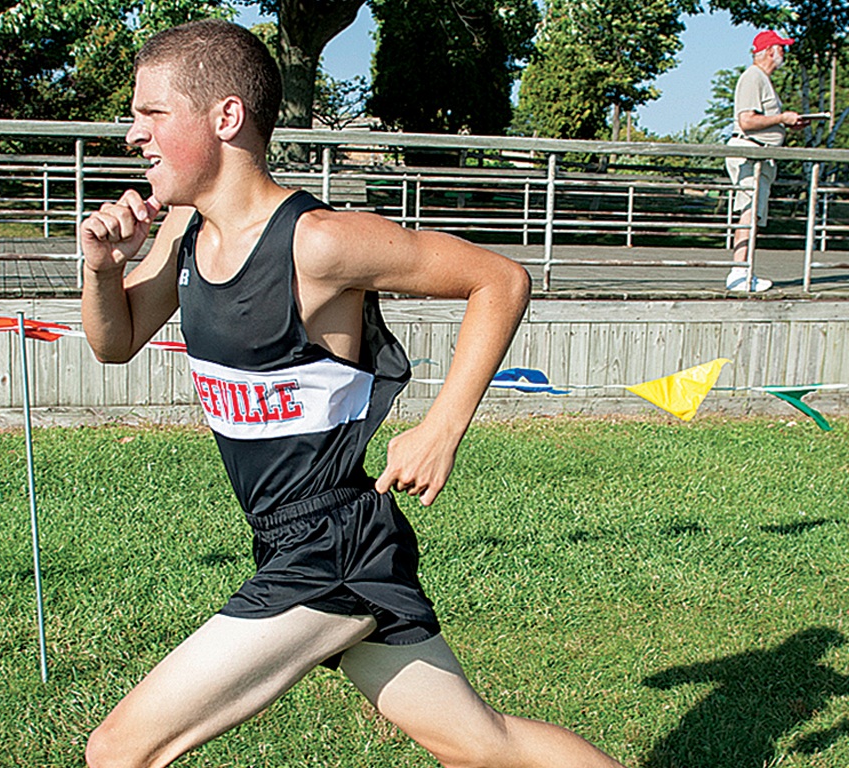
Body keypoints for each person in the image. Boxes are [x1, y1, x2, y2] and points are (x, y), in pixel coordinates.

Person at [80, 19, 625, 768]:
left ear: (226, 117)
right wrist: (105, 270)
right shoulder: (182, 231)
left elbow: (499, 280)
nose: (134, 136)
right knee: (481, 746)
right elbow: (115, 342)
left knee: (118, 751)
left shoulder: (318, 243)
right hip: (303, 537)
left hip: (329, 545)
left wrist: (441, 428)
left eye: (151, 114)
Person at [724, 29, 806, 292]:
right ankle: (739, 274)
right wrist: (782, 119)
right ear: (771, 50)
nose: (784, 53)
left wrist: (785, 125)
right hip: (751, 153)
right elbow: (746, 120)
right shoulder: (753, 77)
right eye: (782, 48)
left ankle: (744, 271)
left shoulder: (762, 80)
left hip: (761, 155)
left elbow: (760, 121)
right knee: (748, 213)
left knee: (754, 214)